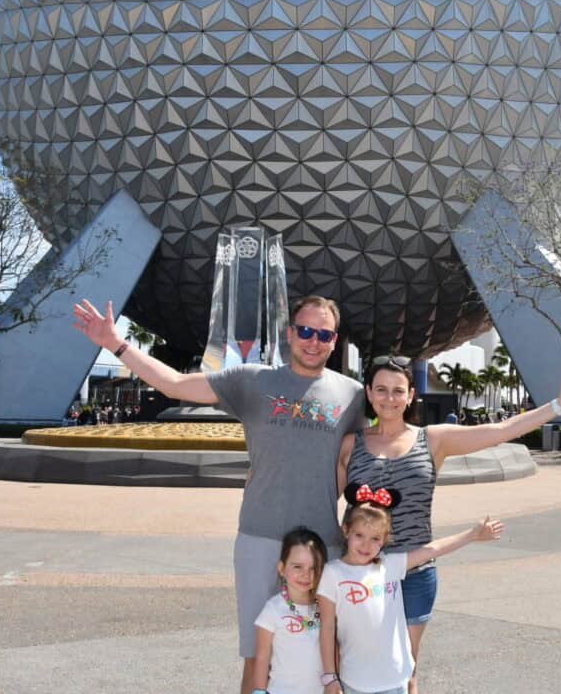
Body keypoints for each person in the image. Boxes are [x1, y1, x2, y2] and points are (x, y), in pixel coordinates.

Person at [72, 294, 364, 694]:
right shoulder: (252, 380)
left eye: (324, 334)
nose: (314, 341)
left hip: (322, 543)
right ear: (290, 333)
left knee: (325, 651)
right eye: (306, 331)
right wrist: (116, 344)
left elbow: (375, 454)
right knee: (257, 653)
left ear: (334, 340)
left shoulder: (352, 394)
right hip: (261, 537)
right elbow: (173, 384)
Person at [337, 356, 561, 694]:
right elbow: (322, 501)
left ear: (410, 396)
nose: (389, 398)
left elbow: (501, 431)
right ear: (369, 393)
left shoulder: (433, 439)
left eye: (397, 391)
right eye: (381, 390)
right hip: (360, 574)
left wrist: (559, 405)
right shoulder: (351, 445)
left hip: (414, 573)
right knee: (355, 665)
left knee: (405, 670)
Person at [318, 484, 503, 694]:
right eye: (359, 535)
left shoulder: (390, 566)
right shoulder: (332, 574)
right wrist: (329, 676)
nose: (366, 545)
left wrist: (472, 535)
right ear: (346, 531)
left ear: (385, 539)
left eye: (375, 538)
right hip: (356, 680)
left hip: (397, 677)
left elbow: (434, 549)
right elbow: (327, 628)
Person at [252, 527, 327, 694]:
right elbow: (262, 657)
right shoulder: (273, 609)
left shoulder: (325, 608)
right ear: (281, 568)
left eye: (313, 568)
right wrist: (259, 691)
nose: (306, 575)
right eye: (297, 567)